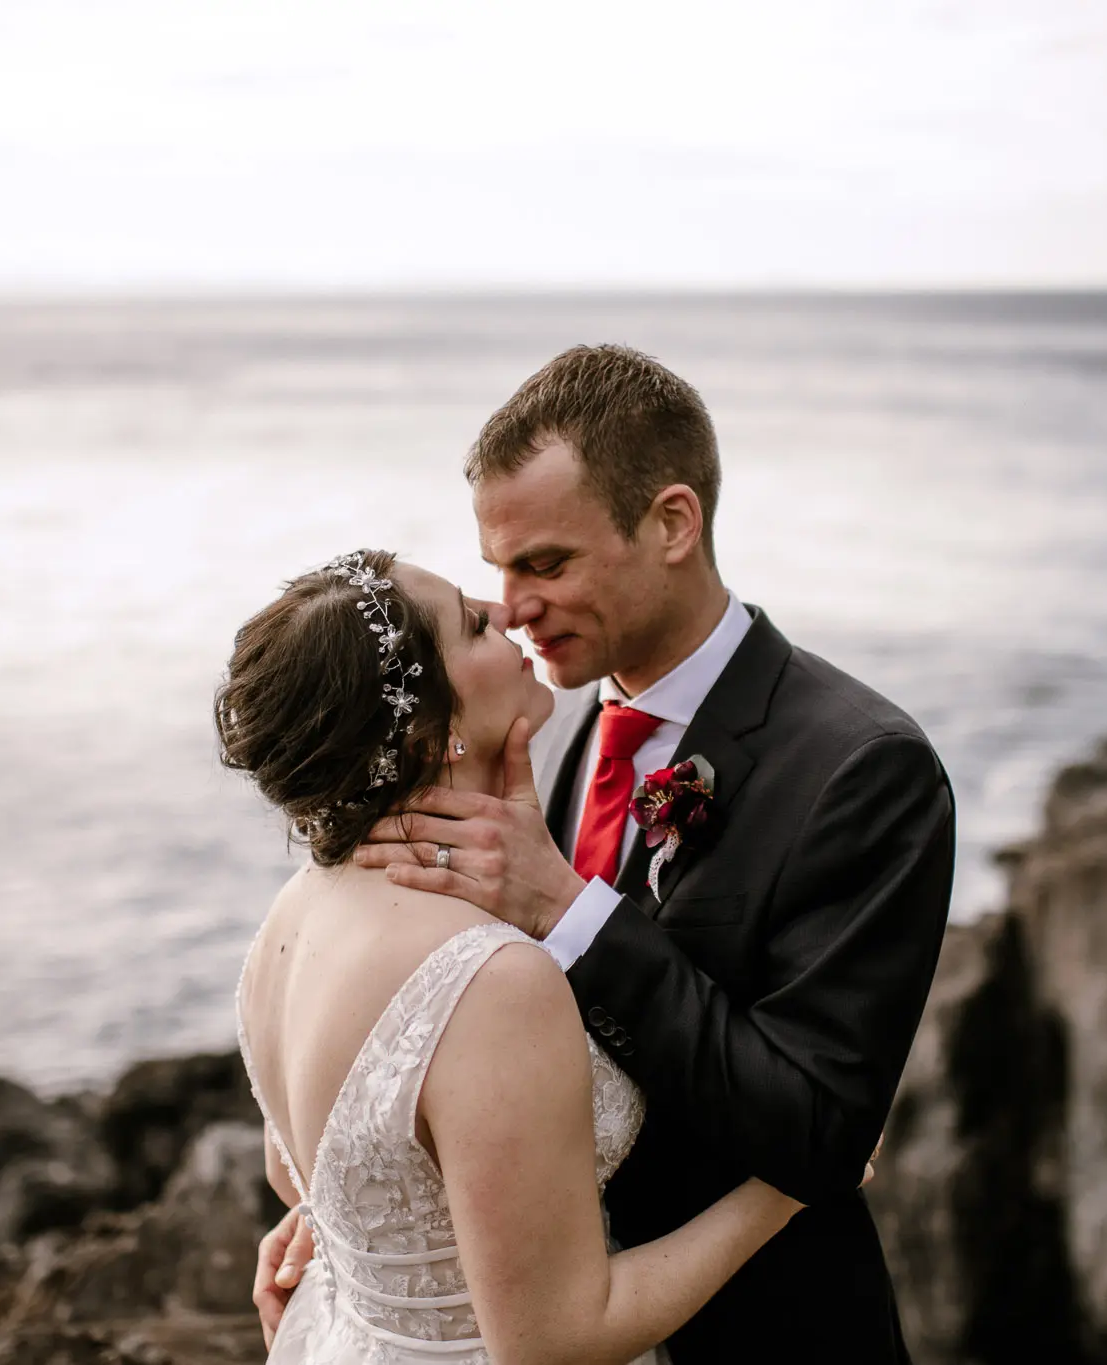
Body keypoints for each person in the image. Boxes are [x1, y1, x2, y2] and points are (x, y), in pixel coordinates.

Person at [329, 345, 959, 1362]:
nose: (512, 605)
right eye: (498, 568)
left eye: (545, 563)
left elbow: (819, 1130)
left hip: (764, 1335)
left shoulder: (862, 769)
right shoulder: (573, 732)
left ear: (671, 523)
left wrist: (571, 914)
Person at [221, 548, 850, 1364]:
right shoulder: (489, 980)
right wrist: (784, 1190)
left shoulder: (294, 912)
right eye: (474, 624)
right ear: (432, 734)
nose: (507, 612)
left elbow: (311, 1163)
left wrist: (344, 1240)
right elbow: (555, 1342)